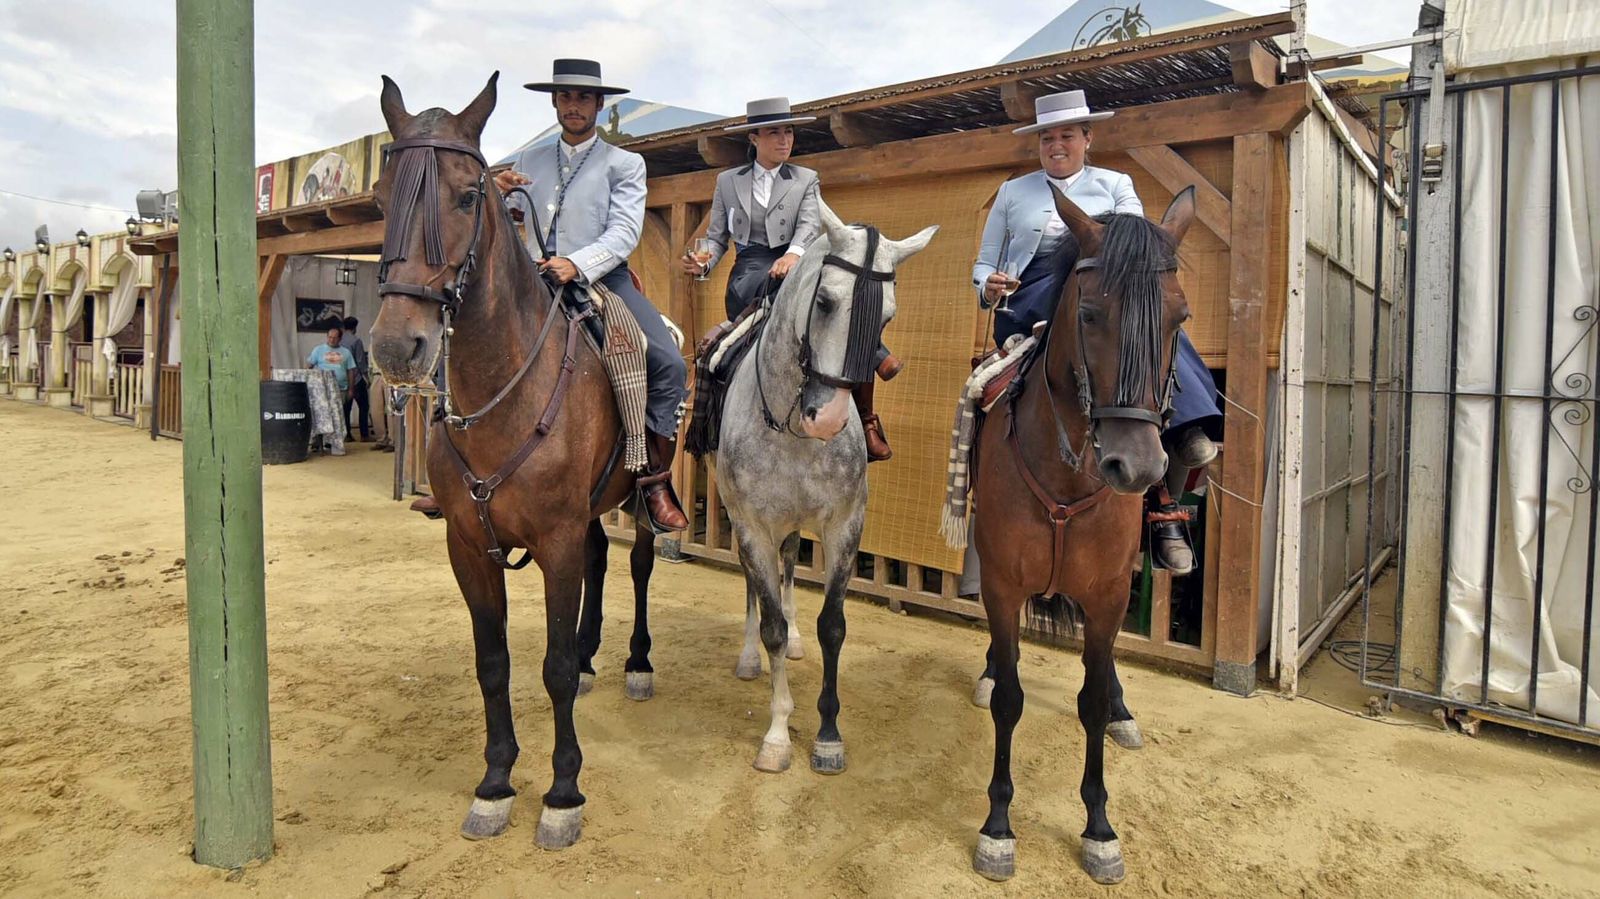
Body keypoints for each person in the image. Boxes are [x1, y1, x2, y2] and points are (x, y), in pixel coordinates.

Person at [970, 89, 1222, 575]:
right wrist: (990, 284)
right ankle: (979, 481)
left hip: (1100, 286)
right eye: (1047, 137)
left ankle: (1184, 440)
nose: (1056, 145)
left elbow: (1134, 241)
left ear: (1088, 137)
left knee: (1153, 331)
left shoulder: (1115, 182)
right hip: (1030, 295)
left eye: (1066, 135)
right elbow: (984, 263)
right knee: (979, 391)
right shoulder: (1012, 192)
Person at [496, 58, 689, 530]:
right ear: (556, 103)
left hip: (601, 278)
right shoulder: (528, 161)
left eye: (584, 98)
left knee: (668, 363)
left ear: (599, 105)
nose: (574, 105)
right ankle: (459, 469)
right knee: (464, 335)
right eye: (565, 97)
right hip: (532, 279)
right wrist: (496, 196)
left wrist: (577, 263)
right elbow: (512, 223)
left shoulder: (624, 163)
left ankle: (653, 482)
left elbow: (624, 231)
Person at [681, 97, 899, 462]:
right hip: (749, 270)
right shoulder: (727, 182)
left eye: (789, 132)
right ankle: (715, 425)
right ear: (753, 137)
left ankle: (868, 418)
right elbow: (717, 238)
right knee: (718, 354)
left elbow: (810, 224)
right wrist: (703, 265)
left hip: (796, 263)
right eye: (773, 133)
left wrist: (794, 255)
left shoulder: (806, 179)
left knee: (844, 316)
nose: (784, 140)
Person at [307, 325, 359, 451]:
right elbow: (309, 365)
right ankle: (316, 441)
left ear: (340, 339)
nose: (331, 340)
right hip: (321, 390)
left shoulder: (346, 352)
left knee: (335, 415)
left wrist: (351, 389)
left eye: (335, 338)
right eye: (329, 337)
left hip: (339, 389)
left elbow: (351, 371)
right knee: (319, 414)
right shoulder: (318, 350)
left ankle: (332, 441)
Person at [340, 315, 371, 442]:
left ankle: (347, 434)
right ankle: (364, 435)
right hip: (356, 378)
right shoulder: (356, 341)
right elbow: (360, 361)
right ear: (355, 327)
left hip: (343, 378)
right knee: (363, 406)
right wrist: (367, 377)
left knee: (346, 408)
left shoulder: (339, 341)